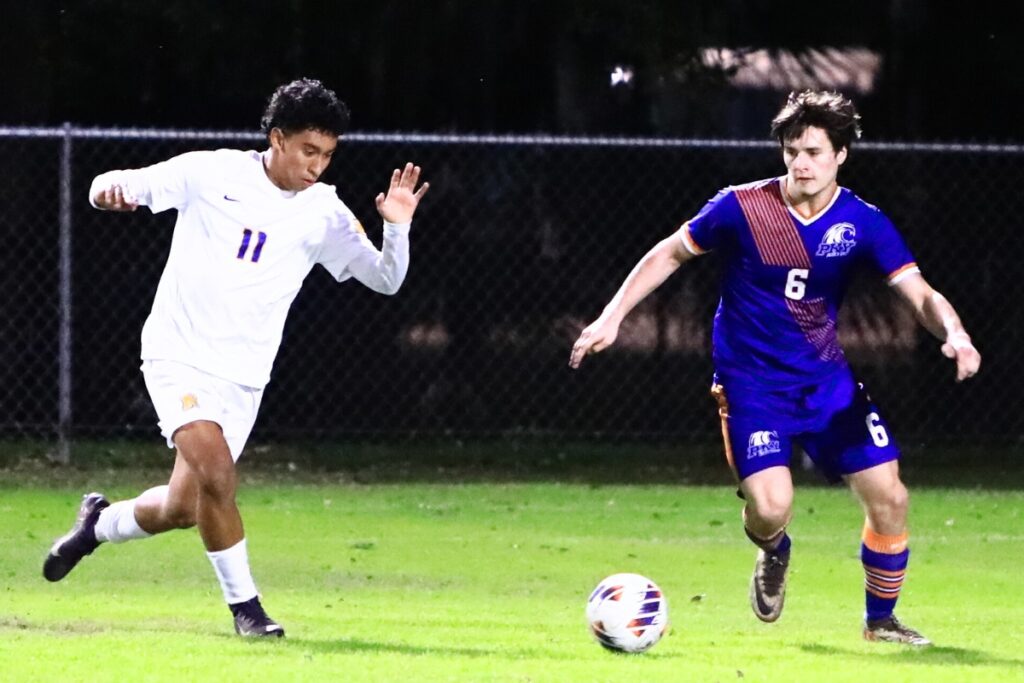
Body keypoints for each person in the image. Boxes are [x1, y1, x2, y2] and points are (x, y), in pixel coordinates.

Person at [569, 90, 980, 646]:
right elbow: (669, 252)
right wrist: (612, 317)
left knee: (891, 497)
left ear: (841, 155)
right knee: (770, 509)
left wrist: (955, 333)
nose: (800, 163)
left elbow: (919, 293)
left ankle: (880, 622)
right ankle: (775, 549)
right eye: (792, 152)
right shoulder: (742, 207)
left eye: (813, 152)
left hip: (826, 386)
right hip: (751, 387)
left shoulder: (863, 223)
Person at [42, 78, 429, 638]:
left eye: (327, 154)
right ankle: (247, 610)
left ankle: (97, 524)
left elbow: (386, 279)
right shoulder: (212, 172)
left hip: (244, 379)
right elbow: (115, 182)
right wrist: (108, 191)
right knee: (219, 476)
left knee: (182, 508)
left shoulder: (324, 211)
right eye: (308, 150)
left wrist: (398, 227)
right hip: (178, 355)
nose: (317, 165)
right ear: (277, 138)